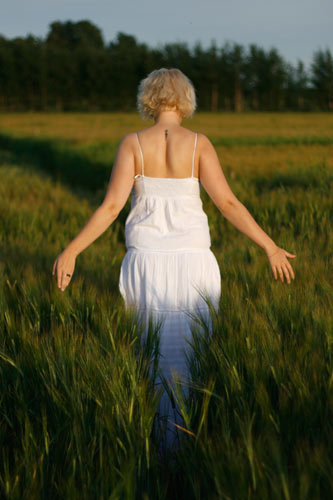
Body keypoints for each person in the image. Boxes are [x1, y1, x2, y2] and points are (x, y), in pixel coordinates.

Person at [52, 67, 296, 457]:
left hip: (145, 262)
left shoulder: (132, 143)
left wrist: (72, 250)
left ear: (148, 99)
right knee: (190, 354)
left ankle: (152, 448)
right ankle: (187, 446)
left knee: (148, 353)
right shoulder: (199, 144)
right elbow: (228, 203)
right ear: (185, 100)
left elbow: (112, 206)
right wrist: (269, 246)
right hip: (193, 262)